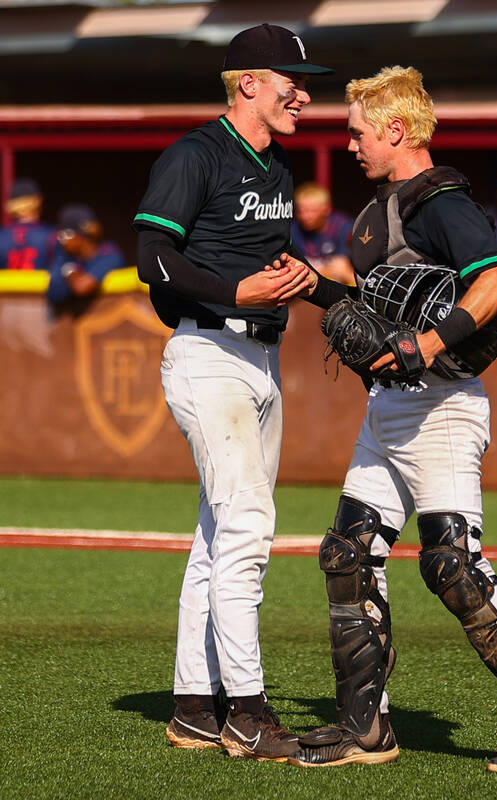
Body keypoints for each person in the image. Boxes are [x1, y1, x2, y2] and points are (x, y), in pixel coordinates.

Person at [289, 65, 497, 774]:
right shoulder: (379, 210)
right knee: (347, 556)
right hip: (388, 411)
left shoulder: (441, 202)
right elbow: (379, 309)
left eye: (359, 132)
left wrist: (426, 343)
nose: (352, 145)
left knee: (452, 565)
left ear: (397, 130)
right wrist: (313, 286)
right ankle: (367, 730)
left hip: (445, 408)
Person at [132, 22, 339, 762]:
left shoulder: (276, 165)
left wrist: (341, 296)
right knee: (250, 528)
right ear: (249, 81)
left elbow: (280, 268)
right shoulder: (195, 154)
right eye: (292, 78)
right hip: (208, 353)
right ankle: (248, 711)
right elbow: (150, 258)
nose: (304, 93)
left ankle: (194, 705)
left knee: (220, 536)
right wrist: (233, 292)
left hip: (260, 360)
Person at [46, 204, 125, 310]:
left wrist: (69, 272)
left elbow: (81, 287)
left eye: (67, 234)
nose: (62, 240)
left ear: (83, 236)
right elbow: (53, 293)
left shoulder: (110, 255)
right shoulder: (65, 256)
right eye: (60, 235)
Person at [292, 181, 355, 284]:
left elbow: (342, 266)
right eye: (301, 211)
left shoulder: (343, 226)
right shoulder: (294, 230)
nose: (305, 216)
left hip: (338, 283)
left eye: (311, 210)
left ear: (326, 209)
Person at [0, 178, 56, 271]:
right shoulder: (51, 235)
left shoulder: (2, 235)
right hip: (42, 286)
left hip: (6, 286)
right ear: (37, 203)